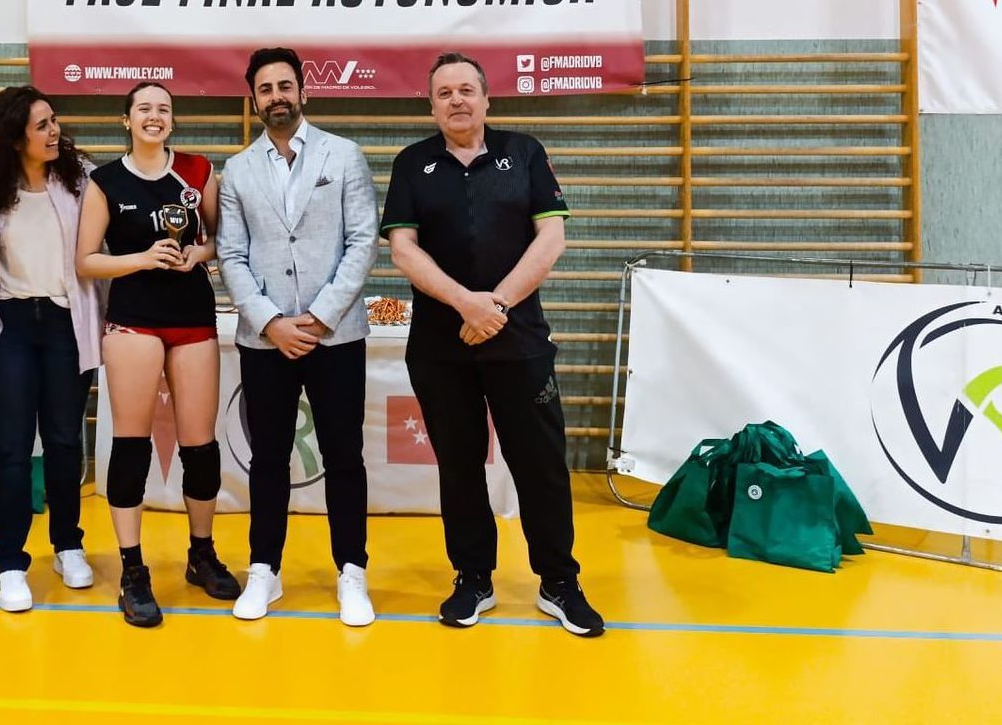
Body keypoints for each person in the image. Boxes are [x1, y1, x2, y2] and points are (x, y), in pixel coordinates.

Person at [380, 52, 606, 637]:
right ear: (431, 106)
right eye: (444, 93)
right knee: (459, 467)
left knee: (541, 466)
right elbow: (403, 248)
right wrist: (467, 304)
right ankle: (473, 578)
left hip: (520, 341)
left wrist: (496, 306)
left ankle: (559, 582)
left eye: (466, 90)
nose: (456, 100)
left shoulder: (524, 152)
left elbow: (551, 237)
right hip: (442, 346)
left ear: (486, 99)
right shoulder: (411, 163)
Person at [216, 48, 378, 626]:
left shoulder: (344, 154)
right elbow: (231, 254)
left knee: (344, 456)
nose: (277, 96)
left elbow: (363, 241)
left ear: (303, 92)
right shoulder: (237, 170)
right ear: (254, 99)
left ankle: (352, 571)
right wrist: (270, 321)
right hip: (266, 340)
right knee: (267, 458)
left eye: (285, 86)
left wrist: (321, 316)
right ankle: (264, 569)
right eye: (265, 89)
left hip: (336, 335)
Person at [76, 81, 242, 627]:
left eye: (164, 109)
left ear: (173, 119)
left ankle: (201, 553)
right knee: (131, 443)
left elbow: (221, 239)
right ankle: (132, 569)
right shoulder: (104, 181)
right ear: (126, 120)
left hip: (192, 316)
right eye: (144, 108)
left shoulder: (197, 170)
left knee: (200, 445)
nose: (155, 116)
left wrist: (198, 253)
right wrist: (143, 258)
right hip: (134, 320)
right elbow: (86, 261)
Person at [0, 85, 104, 612]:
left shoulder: (80, 179)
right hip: (12, 325)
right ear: (14, 137)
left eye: (54, 121)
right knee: (10, 447)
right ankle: (10, 561)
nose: (54, 131)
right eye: (42, 125)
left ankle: (68, 544)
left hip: (66, 322)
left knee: (65, 440)